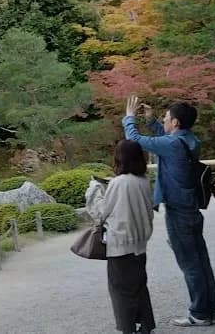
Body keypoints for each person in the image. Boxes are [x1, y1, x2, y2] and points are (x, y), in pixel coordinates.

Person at [122, 96, 215, 327]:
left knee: (190, 264)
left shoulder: (173, 145)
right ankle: (210, 309)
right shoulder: (189, 140)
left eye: (166, 118)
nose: (164, 120)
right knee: (201, 262)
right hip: (192, 209)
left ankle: (200, 313)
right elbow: (166, 139)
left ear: (175, 122)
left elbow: (134, 140)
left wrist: (129, 117)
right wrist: (153, 121)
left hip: (178, 211)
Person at [86, 139, 156, 334]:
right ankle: (146, 324)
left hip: (121, 245)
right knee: (139, 286)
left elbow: (101, 212)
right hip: (140, 245)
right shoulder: (144, 181)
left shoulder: (118, 183)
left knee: (121, 291)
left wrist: (94, 190)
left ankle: (128, 328)